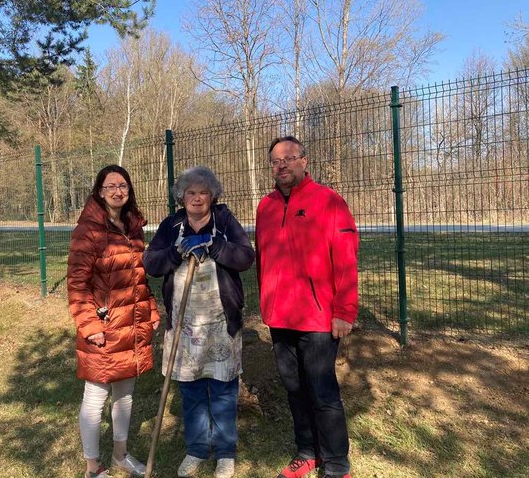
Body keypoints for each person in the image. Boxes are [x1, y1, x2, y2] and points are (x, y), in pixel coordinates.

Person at [255, 136, 359, 478]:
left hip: (316, 318)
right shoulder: (265, 207)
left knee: (322, 391)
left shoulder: (329, 201)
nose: (282, 165)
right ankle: (307, 451)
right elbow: (263, 260)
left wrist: (344, 311)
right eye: (275, 161)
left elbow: (346, 260)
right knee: (294, 388)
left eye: (289, 158)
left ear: (304, 161)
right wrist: (266, 303)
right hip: (279, 317)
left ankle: (336, 465)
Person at [143, 166, 255, 478]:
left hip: (221, 323)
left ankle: (225, 452)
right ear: (182, 196)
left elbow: (246, 256)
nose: (196, 198)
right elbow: (151, 263)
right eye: (190, 192)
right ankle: (196, 449)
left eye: (203, 192)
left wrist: (216, 246)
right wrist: (175, 253)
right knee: (191, 390)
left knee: (223, 389)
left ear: (212, 196)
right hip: (184, 325)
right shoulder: (172, 224)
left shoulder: (225, 222)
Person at [67, 165, 160, 478]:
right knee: (95, 397)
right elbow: (77, 284)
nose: (118, 191)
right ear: (99, 191)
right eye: (111, 186)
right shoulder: (89, 230)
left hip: (132, 324)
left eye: (123, 185)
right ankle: (93, 467)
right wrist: (89, 326)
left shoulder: (132, 227)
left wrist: (152, 309)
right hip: (103, 327)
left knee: (126, 393)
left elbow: (139, 277)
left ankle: (120, 455)